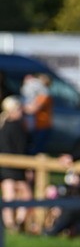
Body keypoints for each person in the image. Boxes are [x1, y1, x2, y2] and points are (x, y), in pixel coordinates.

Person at [0, 95, 31, 231]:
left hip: (5, 166)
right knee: (25, 195)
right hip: (15, 166)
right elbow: (22, 149)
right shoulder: (17, 127)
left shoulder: (4, 125)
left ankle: (10, 224)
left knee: (9, 194)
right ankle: (16, 222)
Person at [21, 73, 53, 155]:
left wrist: (18, 108)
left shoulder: (44, 95)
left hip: (42, 126)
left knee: (36, 149)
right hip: (38, 126)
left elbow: (33, 109)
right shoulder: (39, 95)